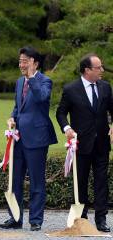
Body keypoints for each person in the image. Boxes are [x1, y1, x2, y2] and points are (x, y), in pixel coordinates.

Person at [0, 47, 57, 231]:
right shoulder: (18, 82)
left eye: (25, 61)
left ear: (35, 63)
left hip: (37, 138)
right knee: (14, 180)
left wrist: (31, 78)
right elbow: (18, 107)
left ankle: (36, 220)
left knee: (36, 180)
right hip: (18, 139)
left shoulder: (45, 81)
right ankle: (15, 218)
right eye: (20, 61)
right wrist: (12, 118)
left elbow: (41, 97)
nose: (21, 65)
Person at [56, 53, 112, 232]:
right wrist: (67, 128)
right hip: (81, 144)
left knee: (101, 181)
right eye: (98, 68)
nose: (102, 70)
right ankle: (82, 219)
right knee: (80, 181)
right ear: (87, 70)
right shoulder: (71, 89)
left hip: (102, 143)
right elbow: (61, 113)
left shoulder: (105, 87)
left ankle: (101, 219)